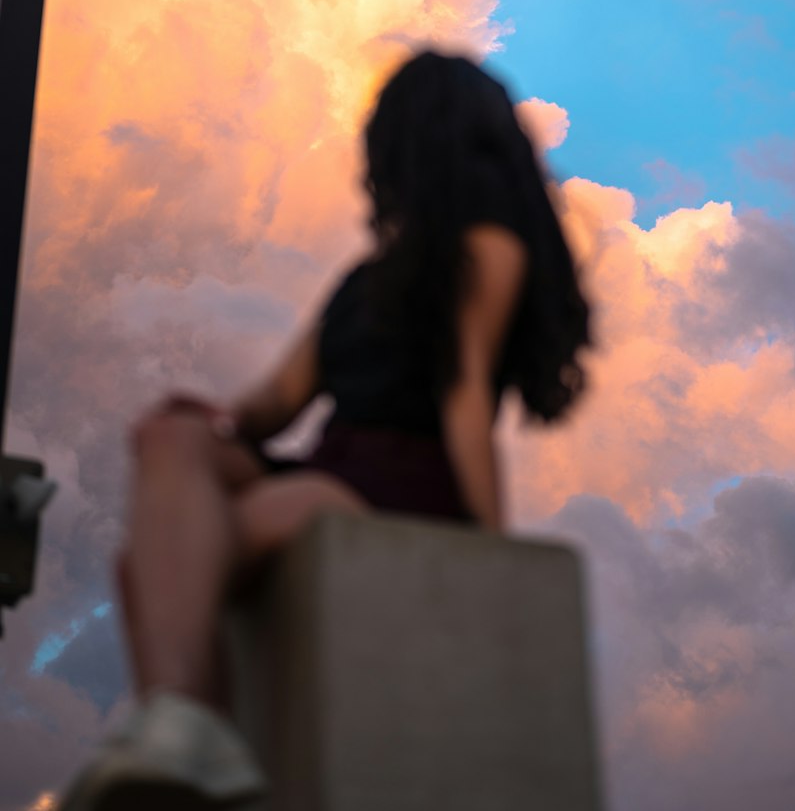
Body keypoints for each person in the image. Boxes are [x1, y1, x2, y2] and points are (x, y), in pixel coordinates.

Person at [59, 48, 594, 811]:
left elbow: (465, 389)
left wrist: (488, 542)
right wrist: (210, 419)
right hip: (327, 463)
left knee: (154, 565)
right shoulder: (363, 279)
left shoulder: (489, 242)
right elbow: (278, 398)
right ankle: (186, 730)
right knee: (168, 445)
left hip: (406, 474)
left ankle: (188, 731)